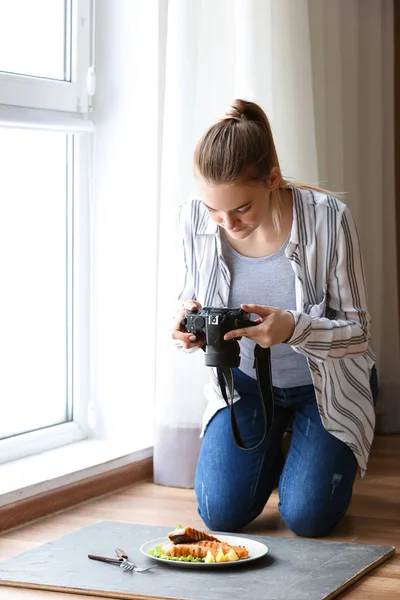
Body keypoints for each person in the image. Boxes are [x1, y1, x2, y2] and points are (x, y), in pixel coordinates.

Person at [171, 99, 378, 538]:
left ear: (272, 179)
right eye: (215, 210)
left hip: (324, 386)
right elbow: (191, 297)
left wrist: (293, 328)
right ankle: (282, 444)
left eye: (242, 209)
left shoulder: (329, 220)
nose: (227, 224)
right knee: (219, 513)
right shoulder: (193, 219)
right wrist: (186, 327)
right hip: (246, 385)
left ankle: (306, 446)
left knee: (308, 517)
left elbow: (359, 333)